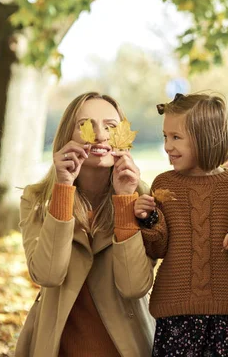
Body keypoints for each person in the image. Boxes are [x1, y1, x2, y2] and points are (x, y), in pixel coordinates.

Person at [16, 92, 155, 357]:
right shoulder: (36, 199)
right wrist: (63, 189)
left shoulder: (143, 198)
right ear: (68, 135)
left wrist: (125, 201)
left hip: (126, 348)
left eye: (111, 127)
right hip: (57, 347)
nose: (101, 135)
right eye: (86, 125)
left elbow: (133, 286)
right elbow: (48, 275)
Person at [133, 92, 228, 356]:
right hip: (174, 307)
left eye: (176, 138)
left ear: (207, 138)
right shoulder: (164, 184)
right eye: (165, 137)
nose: (167, 146)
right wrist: (149, 219)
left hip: (225, 309)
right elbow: (158, 249)